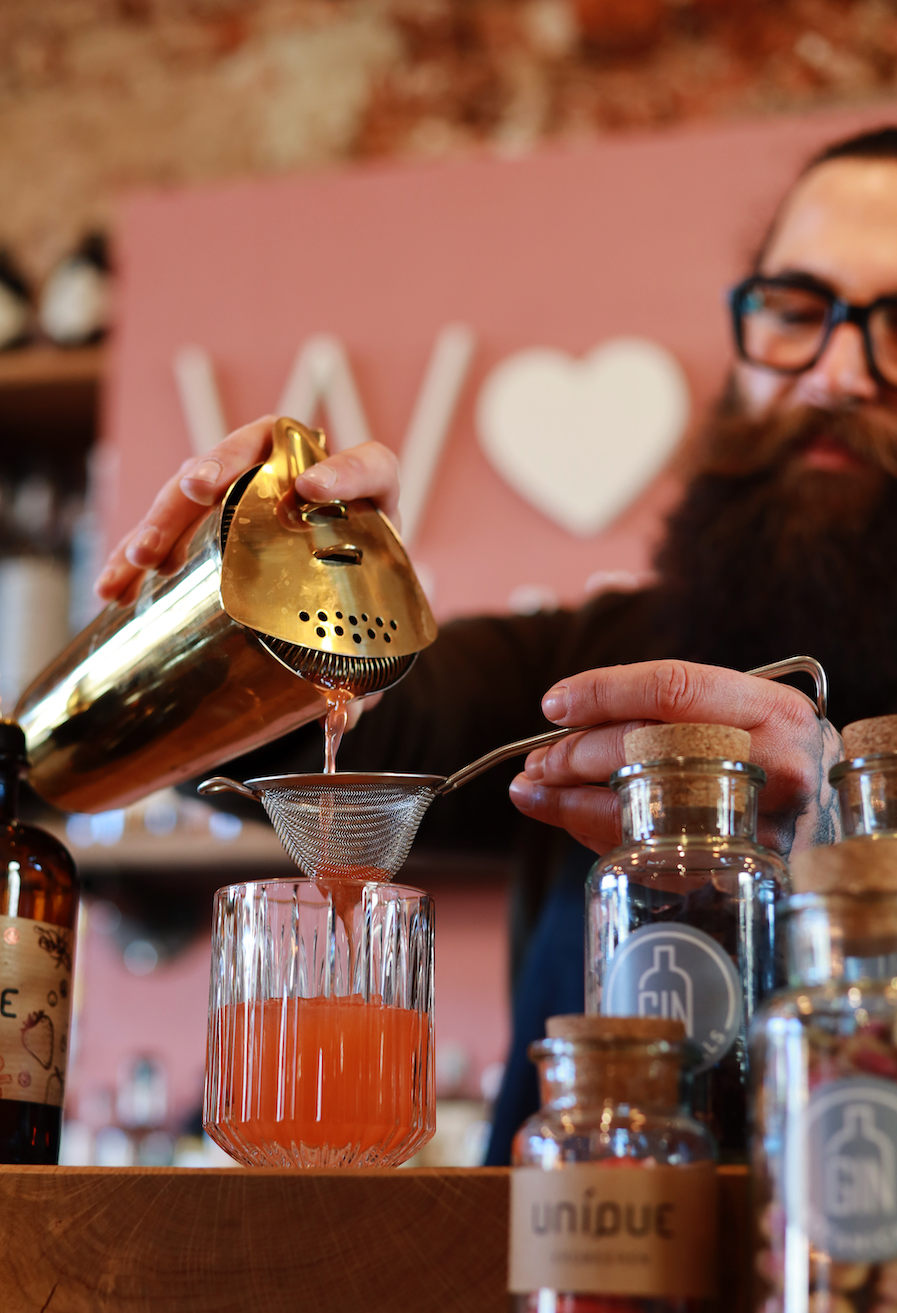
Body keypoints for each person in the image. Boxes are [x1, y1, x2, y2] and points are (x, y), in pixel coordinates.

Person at [96, 126, 897, 1158]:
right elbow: (330, 735)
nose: (836, 372)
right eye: (795, 311)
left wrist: (845, 846)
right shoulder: (601, 654)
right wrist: (260, 578)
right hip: (553, 1283)